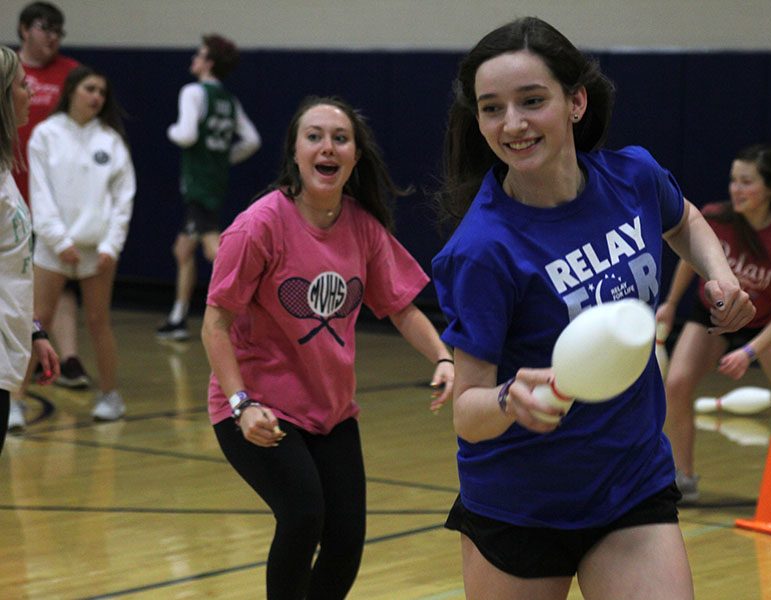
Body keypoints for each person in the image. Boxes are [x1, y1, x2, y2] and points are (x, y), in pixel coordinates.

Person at [431, 17, 755, 600]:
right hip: (520, 508)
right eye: (492, 109)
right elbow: (468, 413)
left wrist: (721, 275)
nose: (513, 124)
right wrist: (510, 399)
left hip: (630, 485)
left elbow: (685, 222)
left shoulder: (633, 176)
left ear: (576, 101)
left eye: (532, 101)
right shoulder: (483, 250)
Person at [201, 95, 454, 598]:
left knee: (345, 542)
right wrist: (241, 405)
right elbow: (215, 324)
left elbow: (402, 307)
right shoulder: (259, 226)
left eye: (340, 139)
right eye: (314, 136)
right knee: (303, 515)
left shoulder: (362, 226)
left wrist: (443, 357)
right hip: (260, 410)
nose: (328, 146)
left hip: (332, 412)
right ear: (295, 152)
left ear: (354, 157)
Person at [656, 143, 771, 508]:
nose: (736, 190)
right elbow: (688, 260)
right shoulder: (716, 218)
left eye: (746, 182)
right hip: (712, 311)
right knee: (676, 384)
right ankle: (685, 477)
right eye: (733, 181)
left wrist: (748, 352)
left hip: (763, 322)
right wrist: (670, 304)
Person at [29, 65, 136, 421]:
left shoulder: (110, 140)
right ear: (72, 90)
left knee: (98, 320)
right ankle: (12, 399)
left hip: (97, 250)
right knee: (36, 321)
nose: (96, 97)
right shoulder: (45, 135)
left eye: (102, 92)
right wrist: (58, 240)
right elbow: (39, 194)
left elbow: (123, 198)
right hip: (52, 246)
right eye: (90, 89)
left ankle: (109, 395)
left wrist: (111, 245)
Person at [12, 2, 87, 433]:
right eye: (45, 28)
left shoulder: (71, 73)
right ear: (25, 30)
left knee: (55, 283)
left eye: (59, 30)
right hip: (12, 191)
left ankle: (69, 358)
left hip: (52, 202)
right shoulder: (8, 71)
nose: (53, 37)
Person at [157, 34, 260, 341]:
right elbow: (252, 140)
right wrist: (224, 157)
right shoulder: (229, 100)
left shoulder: (193, 92)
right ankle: (178, 317)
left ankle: (251, 307)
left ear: (209, 63)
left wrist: (171, 130)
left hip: (198, 181)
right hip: (216, 178)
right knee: (182, 249)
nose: (194, 60)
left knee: (214, 248)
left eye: (199, 55)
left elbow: (186, 135)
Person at [1, 45, 59, 452]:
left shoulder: (5, 168)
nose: (30, 92)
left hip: (10, 347)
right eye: (23, 85)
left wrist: (33, 328)